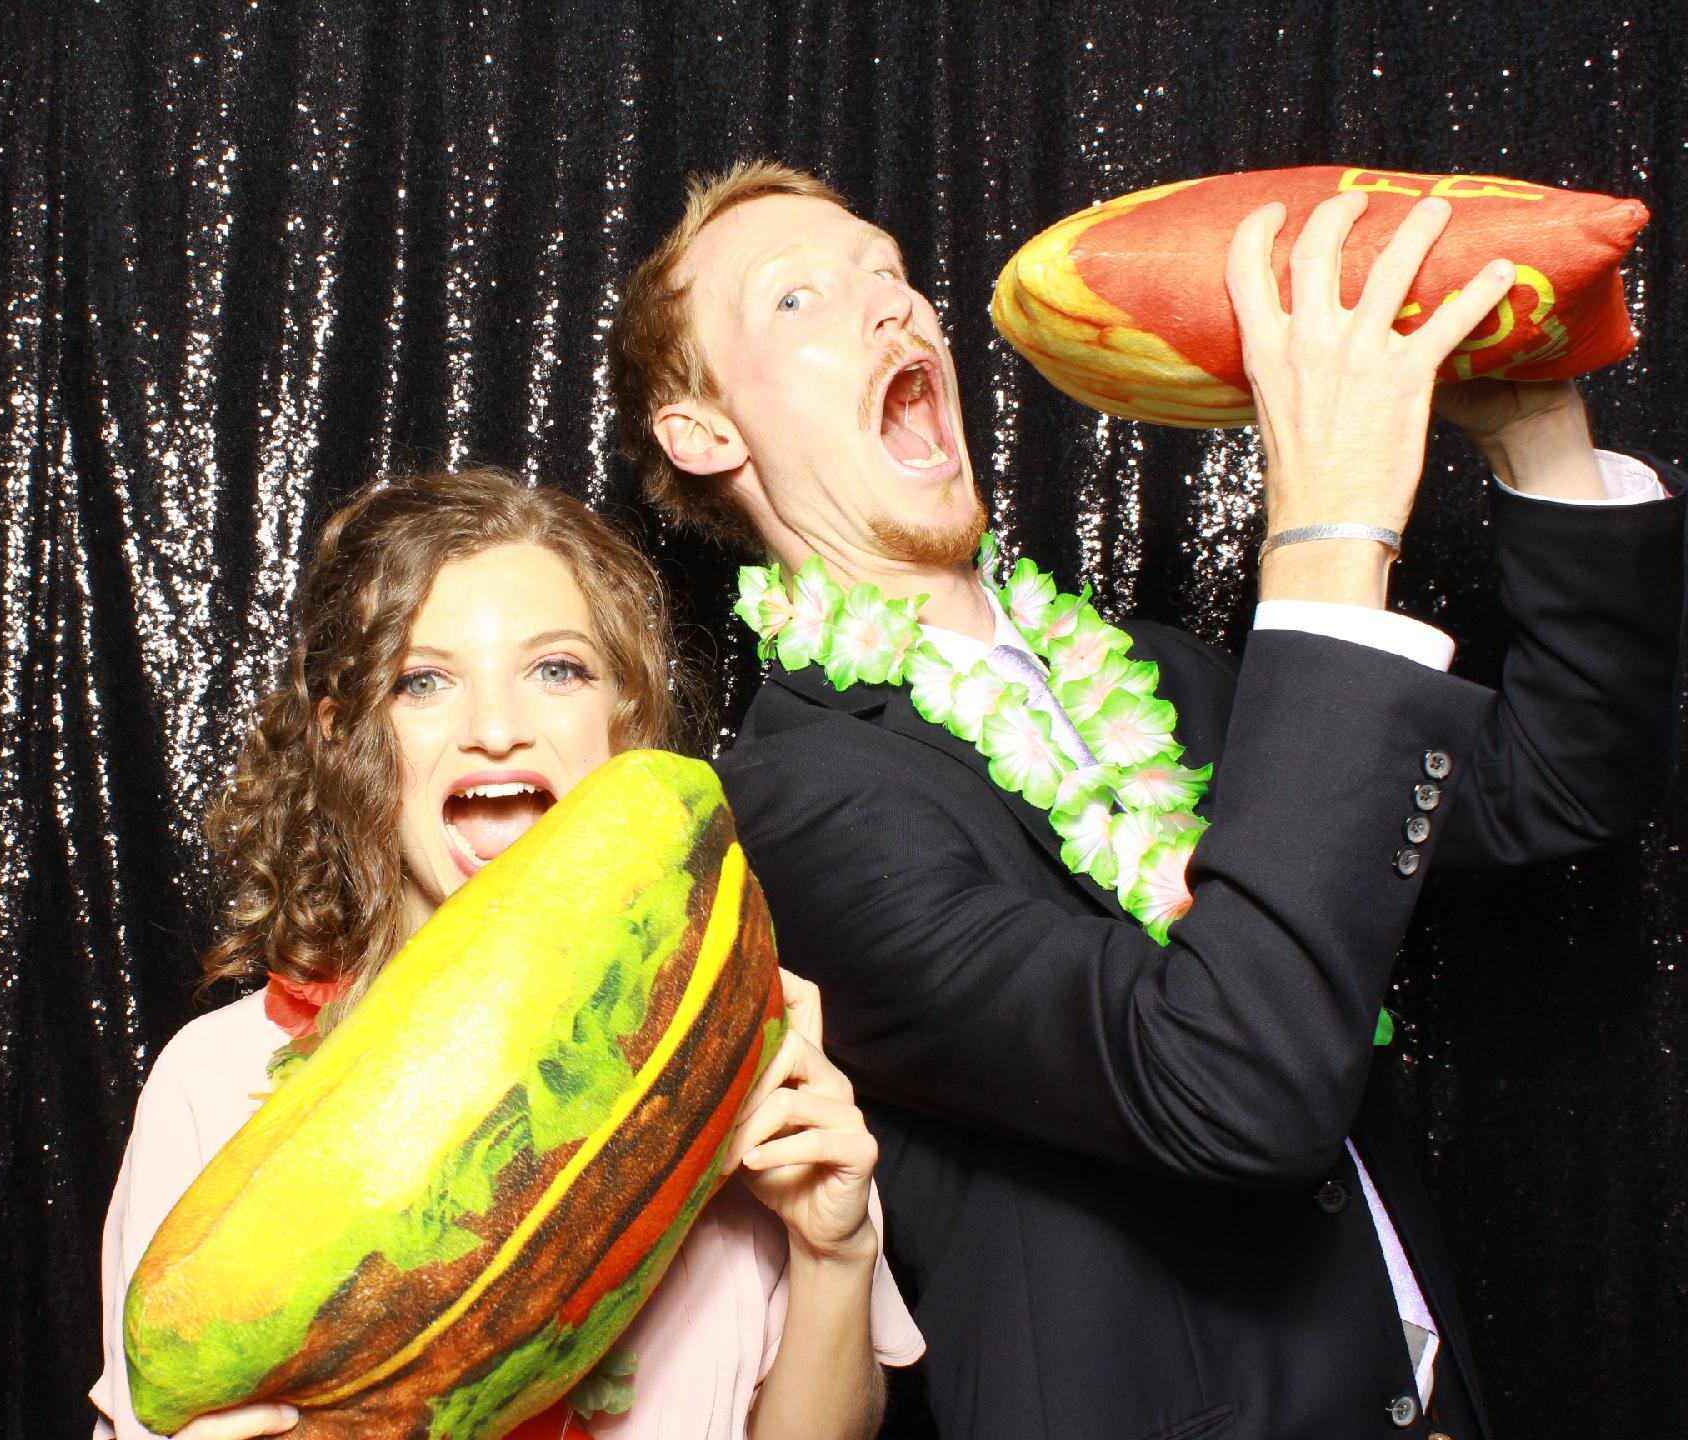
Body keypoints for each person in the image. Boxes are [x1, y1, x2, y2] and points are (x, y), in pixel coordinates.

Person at [607, 160, 1684, 1439]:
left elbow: (1563, 774)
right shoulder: (792, 808)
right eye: (798, 299)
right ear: (703, 431)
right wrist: (1330, 538)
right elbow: (1227, 1084)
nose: (891, 304)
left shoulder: (1169, 679)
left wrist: (1532, 424)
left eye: (888, 270)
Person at [90, 467, 923, 1440]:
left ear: (625, 720)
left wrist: (833, 1252)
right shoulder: (215, 1083)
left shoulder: (740, 1067)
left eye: (557, 670)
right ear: (348, 739)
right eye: (422, 681)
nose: (495, 731)